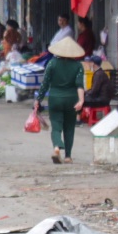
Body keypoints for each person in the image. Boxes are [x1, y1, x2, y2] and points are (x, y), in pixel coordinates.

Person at [37, 36, 88, 164]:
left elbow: (45, 84)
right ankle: (68, 156)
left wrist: (38, 100)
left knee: (56, 126)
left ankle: (56, 148)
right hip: (71, 99)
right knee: (69, 128)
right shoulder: (78, 66)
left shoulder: (52, 63)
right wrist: (81, 101)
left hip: (55, 99)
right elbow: (79, 85)